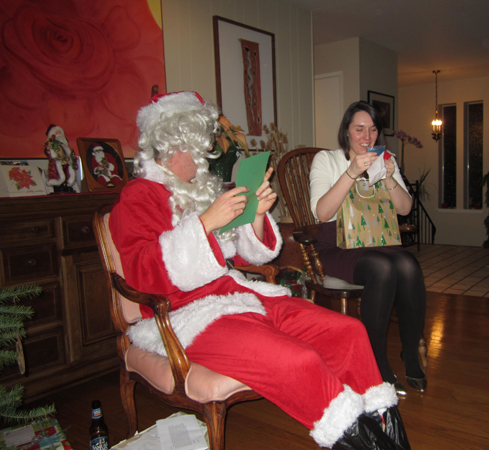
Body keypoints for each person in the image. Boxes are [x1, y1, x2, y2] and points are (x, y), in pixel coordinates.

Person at [109, 91, 411, 450]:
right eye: (200, 149)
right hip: (187, 315)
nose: (207, 156)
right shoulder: (137, 197)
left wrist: (255, 215)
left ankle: (390, 438)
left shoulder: (195, 191)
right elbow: (142, 273)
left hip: (239, 296)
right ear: (177, 145)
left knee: (349, 332)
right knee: (299, 360)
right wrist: (205, 223)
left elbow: (242, 253)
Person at [309, 101, 427, 394]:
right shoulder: (327, 160)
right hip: (337, 243)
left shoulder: (385, 159)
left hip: (377, 239)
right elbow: (322, 213)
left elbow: (405, 209)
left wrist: (388, 176)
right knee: (381, 267)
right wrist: (350, 173)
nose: (367, 136)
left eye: (373, 129)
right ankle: (376, 362)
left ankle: (410, 354)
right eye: (359, 129)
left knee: (409, 264)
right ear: (346, 131)